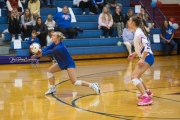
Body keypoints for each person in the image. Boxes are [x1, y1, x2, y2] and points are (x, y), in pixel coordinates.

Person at [31, 32, 101, 95]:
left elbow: (47, 53)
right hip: (61, 63)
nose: (51, 37)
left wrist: (37, 54)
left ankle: (92, 85)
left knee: (74, 82)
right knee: (49, 71)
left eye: (53, 36)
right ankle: (52, 89)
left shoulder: (59, 47)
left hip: (69, 63)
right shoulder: (54, 44)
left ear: (58, 38)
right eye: (52, 36)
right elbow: (47, 48)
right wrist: (40, 51)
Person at [127, 16, 154, 106]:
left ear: (133, 23)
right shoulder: (137, 32)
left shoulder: (138, 33)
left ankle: (146, 98)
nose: (128, 22)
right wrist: (135, 53)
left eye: (129, 21)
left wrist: (142, 59)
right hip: (147, 56)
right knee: (136, 76)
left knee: (134, 77)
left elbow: (147, 45)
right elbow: (141, 47)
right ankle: (147, 92)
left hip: (147, 57)